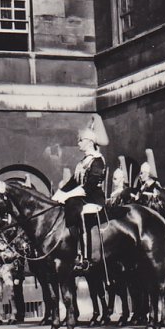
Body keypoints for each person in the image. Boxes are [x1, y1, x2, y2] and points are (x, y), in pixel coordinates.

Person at [52, 114, 108, 271]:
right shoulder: (82, 162)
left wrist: (68, 195)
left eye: (81, 140)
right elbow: (72, 183)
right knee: (67, 205)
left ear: (90, 142)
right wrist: (57, 195)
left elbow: (89, 186)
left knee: (79, 210)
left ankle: (85, 256)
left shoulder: (97, 160)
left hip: (94, 199)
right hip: (81, 197)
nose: (78, 143)